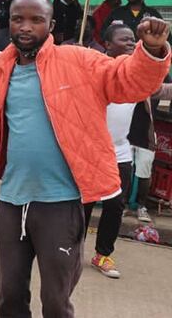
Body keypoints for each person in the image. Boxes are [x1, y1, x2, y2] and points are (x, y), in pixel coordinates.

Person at [0, 0, 170, 318]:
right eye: (18, 19)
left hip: (60, 204)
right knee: (9, 299)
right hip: (11, 203)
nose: (26, 27)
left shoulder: (79, 61)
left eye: (36, 20)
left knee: (56, 302)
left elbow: (129, 80)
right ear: (8, 22)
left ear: (51, 24)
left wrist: (151, 48)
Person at [81, 22, 139, 279]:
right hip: (88, 150)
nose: (131, 43)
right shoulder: (92, 68)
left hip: (120, 151)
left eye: (132, 39)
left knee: (115, 205)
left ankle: (103, 254)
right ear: (106, 44)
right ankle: (71, 250)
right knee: (82, 205)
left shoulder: (138, 73)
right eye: (124, 39)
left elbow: (161, 86)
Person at [127, 70, 172, 225]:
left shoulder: (161, 72)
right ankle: (124, 205)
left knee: (144, 172)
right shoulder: (129, 68)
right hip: (126, 130)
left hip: (146, 132)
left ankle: (141, 206)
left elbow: (167, 91)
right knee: (124, 170)